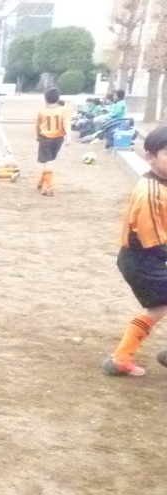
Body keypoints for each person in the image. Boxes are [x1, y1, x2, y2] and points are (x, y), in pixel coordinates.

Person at [102, 127, 167, 377]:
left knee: (158, 307)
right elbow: (155, 240)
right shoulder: (151, 192)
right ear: (150, 157)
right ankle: (120, 359)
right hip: (143, 259)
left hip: (146, 257)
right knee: (157, 307)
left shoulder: (160, 183)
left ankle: (121, 359)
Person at [35, 88, 69, 196]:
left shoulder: (42, 111)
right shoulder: (63, 110)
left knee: (48, 161)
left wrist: (38, 136)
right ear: (58, 99)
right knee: (50, 160)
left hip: (45, 138)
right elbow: (66, 124)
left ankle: (50, 187)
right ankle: (41, 182)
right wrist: (68, 137)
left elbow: (38, 126)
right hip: (58, 138)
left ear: (45, 99)